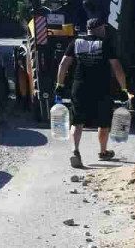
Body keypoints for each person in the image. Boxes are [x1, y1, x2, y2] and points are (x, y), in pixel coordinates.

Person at [55, 18, 129, 168]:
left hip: (80, 87)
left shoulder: (75, 43)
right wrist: (123, 89)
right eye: (103, 28)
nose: (105, 30)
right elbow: (117, 68)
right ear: (100, 28)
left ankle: (75, 151)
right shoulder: (105, 44)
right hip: (101, 88)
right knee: (103, 121)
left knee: (77, 121)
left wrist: (60, 85)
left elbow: (63, 64)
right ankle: (103, 152)